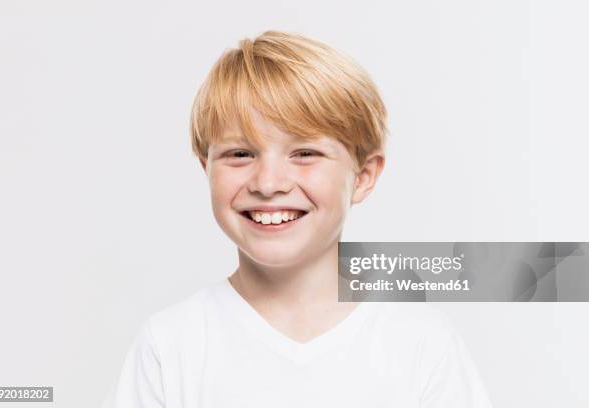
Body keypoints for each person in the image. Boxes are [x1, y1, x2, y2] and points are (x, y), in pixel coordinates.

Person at [102, 30, 493, 407]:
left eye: (305, 153)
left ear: (364, 176)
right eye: (240, 154)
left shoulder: (421, 343)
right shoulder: (169, 346)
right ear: (206, 168)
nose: (268, 183)